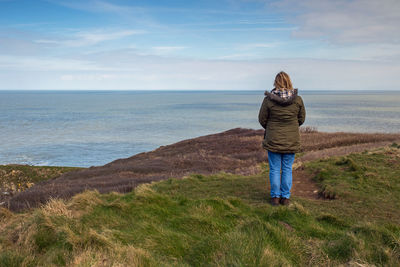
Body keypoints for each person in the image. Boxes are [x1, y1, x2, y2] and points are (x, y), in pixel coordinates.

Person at [258, 71, 306, 206]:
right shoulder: (298, 100)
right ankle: (285, 197)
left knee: (274, 169)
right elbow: (301, 119)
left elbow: (262, 119)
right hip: (291, 140)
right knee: (287, 168)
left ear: (276, 82)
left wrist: (271, 128)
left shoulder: (268, 100)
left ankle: (275, 197)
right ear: (289, 82)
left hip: (273, 139)